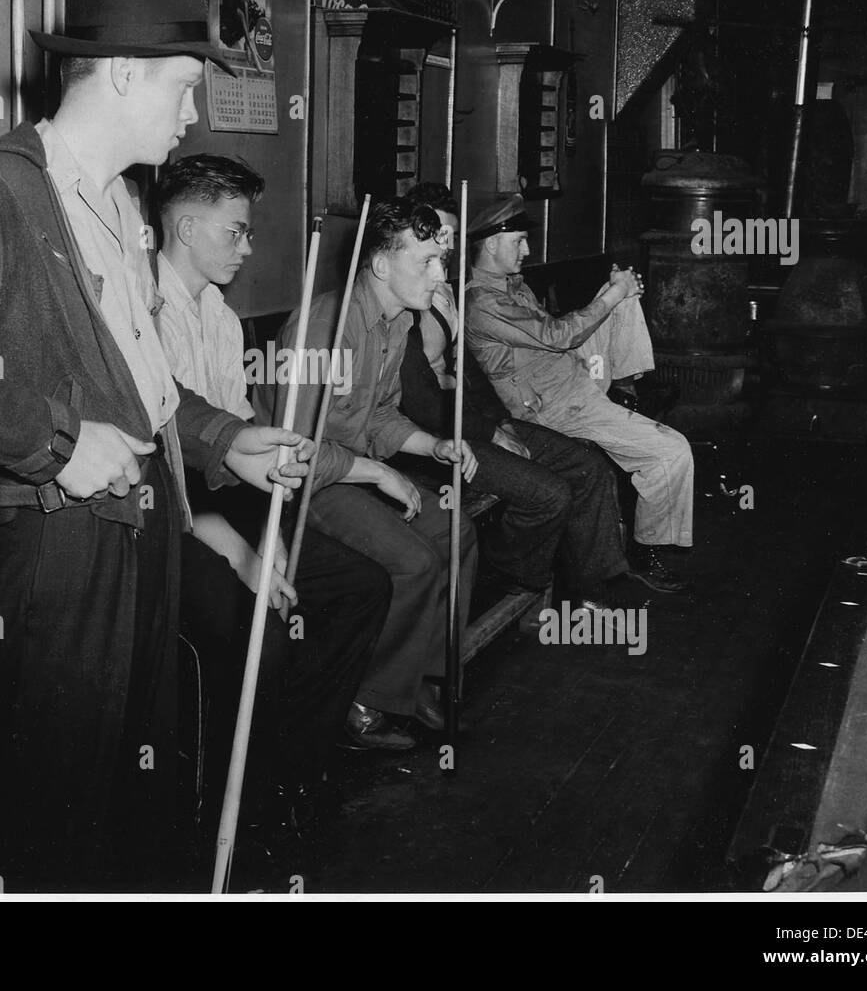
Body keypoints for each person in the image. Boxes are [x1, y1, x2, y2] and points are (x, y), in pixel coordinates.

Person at [0, 0, 312, 891]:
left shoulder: (121, 200)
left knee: (135, 784)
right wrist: (53, 439)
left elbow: (142, 384)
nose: (193, 113)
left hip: (142, 533)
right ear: (126, 72)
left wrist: (221, 438)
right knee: (55, 807)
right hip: (61, 549)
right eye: (185, 85)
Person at [153, 152, 392, 817]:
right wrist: (243, 553)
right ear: (187, 229)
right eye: (236, 232)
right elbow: (165, 475)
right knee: (267, 632)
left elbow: (242, 457)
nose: (248, 246)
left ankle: (294, 763)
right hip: (164, 525)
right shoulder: (142, 317)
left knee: (360, 586)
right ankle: (242, 798)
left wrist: (276, 535)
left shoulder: (223, 322)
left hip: (226, 508)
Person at [256, 198, 479, 752]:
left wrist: (435, 445)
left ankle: (419, 678)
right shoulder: (324, 329)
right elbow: (299, 451)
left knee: (459, 532)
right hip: (301, 483)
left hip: (350, 466)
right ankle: (365, 699)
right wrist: (379, 473)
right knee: (413, 561)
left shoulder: (397, 318)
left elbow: (377, 415)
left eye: (442, 261)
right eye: (426, 262)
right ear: (381, 266)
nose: (441, 275)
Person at [399, 184, 675, 605]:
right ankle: (507, 578)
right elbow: (422, 401)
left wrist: (496, 423)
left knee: (588, 468)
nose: (448, 250)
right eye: (437, 240)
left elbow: (470, 373)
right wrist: (490, 429)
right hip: (433, 436)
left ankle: (594, 585)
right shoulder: (416, 304)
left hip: (473, 418)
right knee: (551, 492)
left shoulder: (444, 292)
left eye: (451, 238)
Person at [464, 194, 696, 588]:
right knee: (673, 451)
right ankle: (644, 550)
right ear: (490, 244)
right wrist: (612, 294)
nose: (528, 249)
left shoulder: (509, 285)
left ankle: (625, 387)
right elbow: (558, 336)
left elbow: (555, 338)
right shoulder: (483, 301)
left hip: (568, 374)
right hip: (554, 406)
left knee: (622, 294)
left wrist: (617, 291)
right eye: (518, 241)